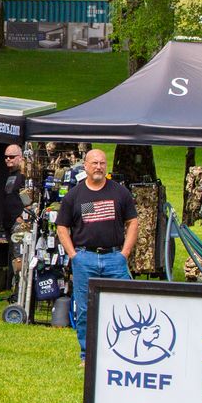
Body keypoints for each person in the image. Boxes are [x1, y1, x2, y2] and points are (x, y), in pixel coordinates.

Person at [56, 148, 138, 365]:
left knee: (122, 306)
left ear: (107, 166)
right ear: (86, 166)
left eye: (102, 163)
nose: (99, 167)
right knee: (84, 309)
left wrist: (125, 253)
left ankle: (123, 352)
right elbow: (62, 227)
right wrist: (73, 255)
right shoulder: (75, 196)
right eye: (94, 163)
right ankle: (88, 355)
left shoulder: (120, 192)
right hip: (85, 259)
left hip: (114, 259)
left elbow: (133, 222)